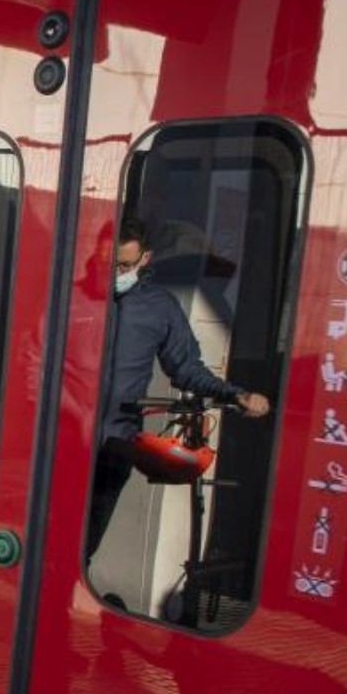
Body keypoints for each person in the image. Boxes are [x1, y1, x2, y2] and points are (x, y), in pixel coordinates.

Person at [85, 221, 270, 556]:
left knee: (85, 547)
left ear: (146, 259)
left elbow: (185, 369)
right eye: (110, 263)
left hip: (115, 446)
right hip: (62, 441)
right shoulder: (74, 297)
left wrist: (234, 393)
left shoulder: (160, 307)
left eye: (125, 265)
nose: (117, 272)